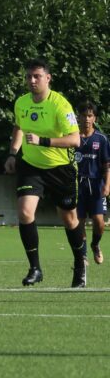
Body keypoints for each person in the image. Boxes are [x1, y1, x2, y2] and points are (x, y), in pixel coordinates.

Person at [4, 58, 85, 287]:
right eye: (28, 76)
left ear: (48, 78)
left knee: (69, 219)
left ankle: (80, 265)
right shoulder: (21, 103)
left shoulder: (60, 105)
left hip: (61, 169)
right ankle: (35, 268)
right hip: (32, 167)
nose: (31, 80)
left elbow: (75, 139)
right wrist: (13, 154)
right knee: (25, 212)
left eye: (36, 76)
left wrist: (43, 141)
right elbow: (19, 127)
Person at [75, 101, 110, 265]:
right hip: (77, 186)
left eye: (90, 116)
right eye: (83, 115)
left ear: (94, 118)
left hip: (96, 185)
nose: (86, 119)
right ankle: (83, 254)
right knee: (78, 221)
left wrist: (108, 184)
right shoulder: (72, 138)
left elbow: (107, 165)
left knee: (99, 222)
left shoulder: (101, 139)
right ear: (78, 117)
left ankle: (95, 245)